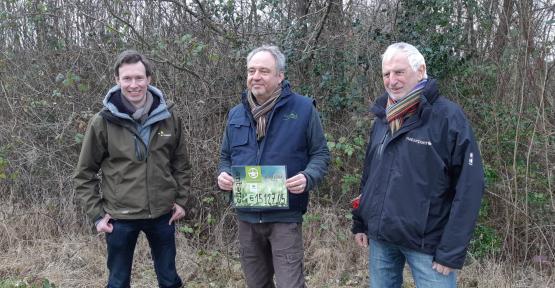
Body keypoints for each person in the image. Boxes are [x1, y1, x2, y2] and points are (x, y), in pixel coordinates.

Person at [351, 42, 484, 287]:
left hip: (428, 245)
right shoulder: (383, 116)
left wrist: (451, 251)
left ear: (421, 70)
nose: (392, 80)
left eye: (399, 72)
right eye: (386, 74)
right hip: (381, 239)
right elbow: (370, 173)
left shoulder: (447, 117)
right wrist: (360, 221)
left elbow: (470, 187)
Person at [74, 50, 190, 288]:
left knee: (169, 280)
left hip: (162, 214)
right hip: (119, 217)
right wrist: (97, 215)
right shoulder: (102, 122)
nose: (134, 84)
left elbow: (181, 164)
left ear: (149, 78)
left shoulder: (169, 117)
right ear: (117, 80)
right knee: (117, 282)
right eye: (127, 78)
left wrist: (181, 200)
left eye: (139, 78)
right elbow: (84, 174)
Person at [217, 45, 330, 287]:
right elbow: (225, 157)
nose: (255, 76)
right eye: (251, 70)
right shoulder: (236, 114)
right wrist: (223, 175)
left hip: (285, 217)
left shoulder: (303, 109)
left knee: (291, 283)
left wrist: (308, 177)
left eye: (264, 71)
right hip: (247, 217)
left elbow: (320, 154)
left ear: (280, 76)